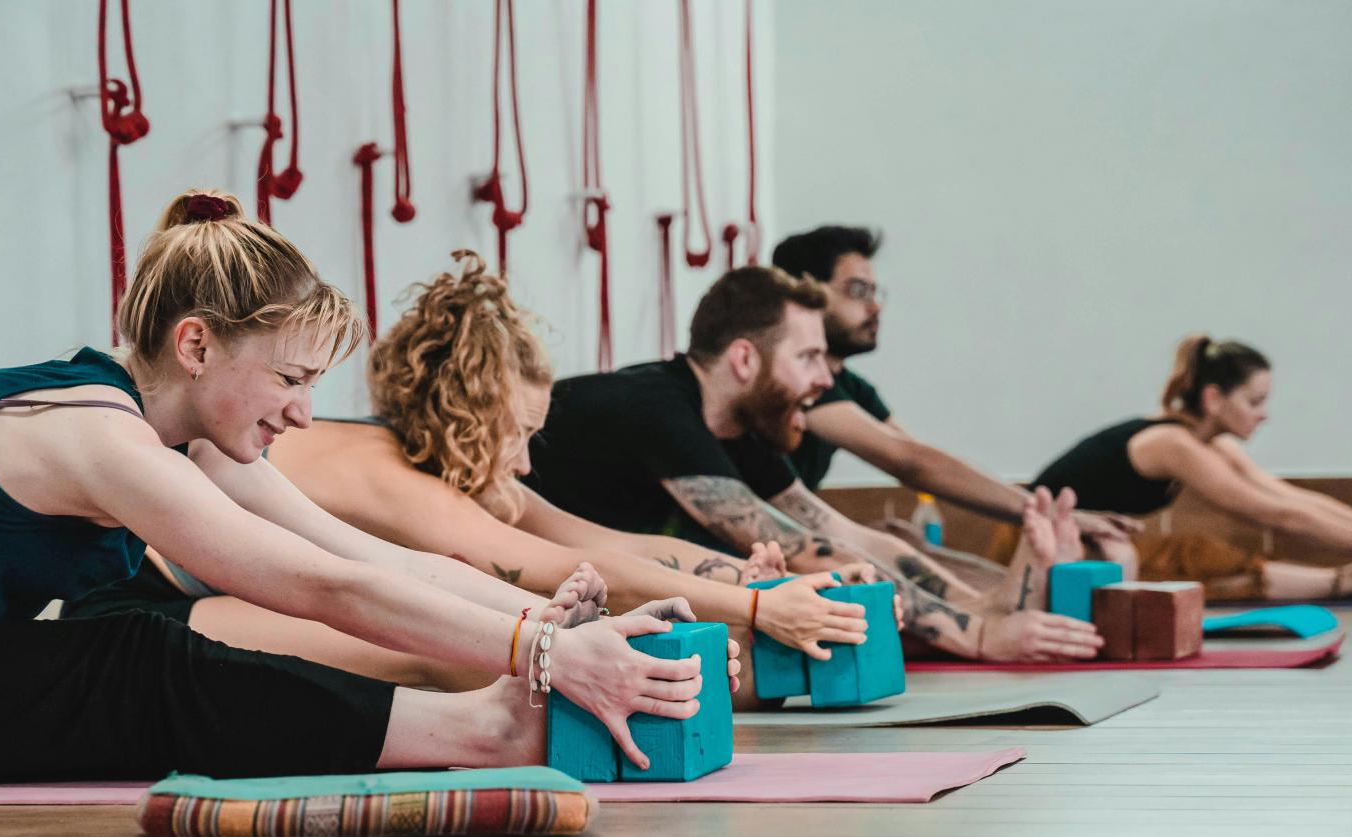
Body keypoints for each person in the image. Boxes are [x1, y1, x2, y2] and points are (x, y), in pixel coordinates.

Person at [0, 190, 711, 786]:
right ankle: (484, 731)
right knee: (134, 660)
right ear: (196, 346)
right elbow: (319, 590)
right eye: (289, 379)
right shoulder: (97, 437)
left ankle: (492, 716)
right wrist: (544, 656)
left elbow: (375, 559)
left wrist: (553, 625)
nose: (304, 415)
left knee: (132, 646)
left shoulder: (192, 441)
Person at [68, 252, 881, 704]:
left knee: (498, 635)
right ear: (469, 420)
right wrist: (751, 609)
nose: (524, 461)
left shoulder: (458, 473)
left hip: (242, 600)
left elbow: (600, 543)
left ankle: (695, 673)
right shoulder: (393, 477)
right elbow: (532, 568)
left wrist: (744, 580)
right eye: (517, 437)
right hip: (141, 616)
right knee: (457, 653)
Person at [527, 264, 1103, 662]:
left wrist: (989, 606)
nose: (826, 378)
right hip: (540, 594)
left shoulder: (739, 425)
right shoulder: (657, 409)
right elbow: (807, 550)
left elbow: (844, 534)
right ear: (745, 359)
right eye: (808, 358)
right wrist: (979, 637)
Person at [769, 225, 1139, 571]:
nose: (875, 307)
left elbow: (915, 454)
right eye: (857, 291)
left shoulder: (849, 386)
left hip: (792, 540)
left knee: (901, 539)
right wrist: (1043, 514)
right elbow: (910, 462)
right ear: (806, 293)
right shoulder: (792, 379)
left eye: (875, 293)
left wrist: (1039, 513)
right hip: (765, 554)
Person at [1024, 334, 1352, 599]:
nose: (1264, 414)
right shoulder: (1171, 443)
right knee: (1191, 562)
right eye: (1254, 401)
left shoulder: (1208, 442)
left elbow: (1288, 497)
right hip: (1029, 545)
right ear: (1213, 399)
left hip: (1081, 542)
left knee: (1192, 556)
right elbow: (1273, 515)